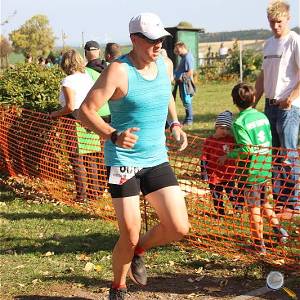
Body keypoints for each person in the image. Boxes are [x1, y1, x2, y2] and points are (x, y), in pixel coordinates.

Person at [78, 12, 190, 300]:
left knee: (178, 227)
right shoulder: (118, 70)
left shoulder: (164, 64)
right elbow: (85, 110)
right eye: (152, 40)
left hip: (156, 158)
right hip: (123, 162)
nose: (158, 45)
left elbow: (165, 93)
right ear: (134, 40)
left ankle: (139, 250)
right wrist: (113, 134)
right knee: (128, 232)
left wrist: (174, 123)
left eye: (162, 39)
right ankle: (118, 287)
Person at [218, 83, 288, 254]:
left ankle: (259, 246)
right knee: (265, 203)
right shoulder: (262, 116)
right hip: (264, 168)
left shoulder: (240, 122)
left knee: (254, 209)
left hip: (250, 174)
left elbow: (246, 148)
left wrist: (229, 155)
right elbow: (268, 139)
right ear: (254, 98)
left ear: (234, 101)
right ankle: (281, 232)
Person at [255, 0, 300, 212]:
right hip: (269, 106)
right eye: (272, 22)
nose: (275, 26)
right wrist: (253, 102)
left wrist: (291, 98)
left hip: (289, 108)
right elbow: (264, 75)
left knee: (288, 154)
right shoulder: (268, 44)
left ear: (288, 18)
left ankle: (292, 203)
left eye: (279, 22)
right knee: (272, 154)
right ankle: (279, 199)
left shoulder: (294, 41)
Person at [50, 49, 101, 202]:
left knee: (76, 159)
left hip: (74, 120)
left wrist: (54, 114)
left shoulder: (68, 81)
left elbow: (70, 106)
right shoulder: (87, 78)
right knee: (90, 157)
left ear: (65, 63)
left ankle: (82, 195)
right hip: (91, 117)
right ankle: (95, 193)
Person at [201, 110, 243, 218]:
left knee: (232, 192)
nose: (225, 131)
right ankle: (220, 213)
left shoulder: (231, 140)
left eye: (227, 129)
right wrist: (204, 174)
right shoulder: (209, 141)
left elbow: (240, 149)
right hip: (214, 175)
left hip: (228, 174)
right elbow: (204, 158)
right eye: (222, 128)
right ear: (216, 127)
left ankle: (237, 209)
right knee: (216, 195)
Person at [173, 41, 195, 126]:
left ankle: (189, 120)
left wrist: (181, 78)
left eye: (178, 51)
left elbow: (190, 72)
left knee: (186, 100)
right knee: (184, 100)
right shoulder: (184, 57)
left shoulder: (188, 57)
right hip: (182, 83)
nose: (177, 53)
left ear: (182, 48)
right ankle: (187, 118)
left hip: (185, 83)